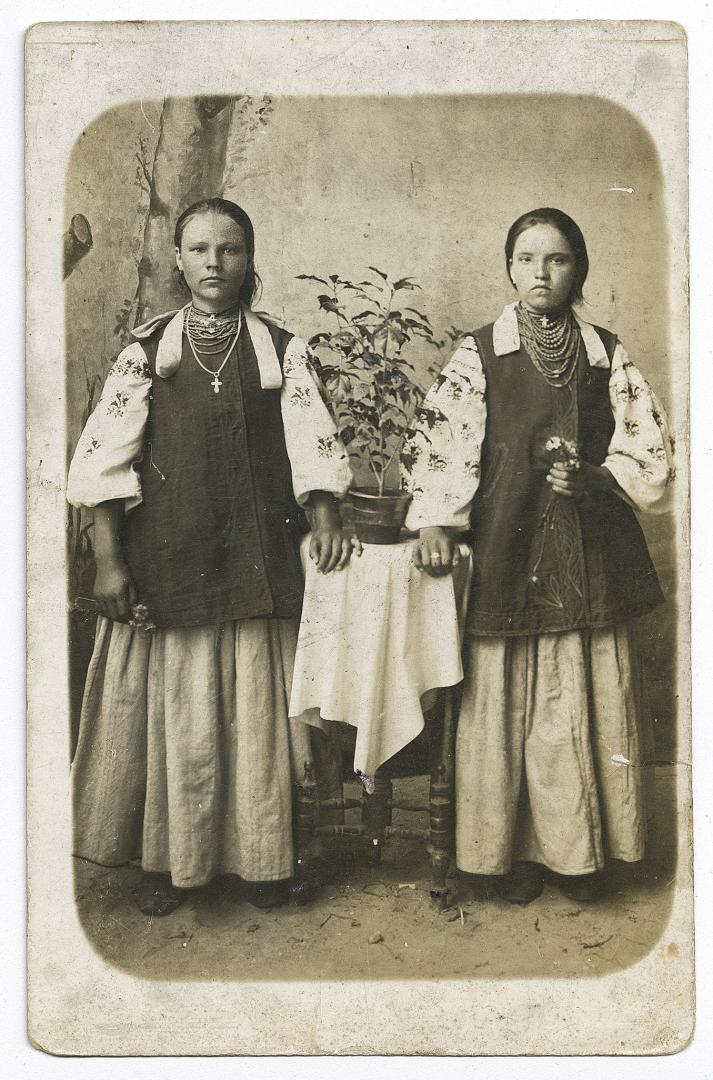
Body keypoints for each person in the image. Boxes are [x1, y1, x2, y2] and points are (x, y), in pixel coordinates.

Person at [68, 197, 357, 915]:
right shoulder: (147, 352)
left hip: (259, 559)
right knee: (183, 715)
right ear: (177, 258)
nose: (213, 264)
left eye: (228, 250)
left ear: (248, 258)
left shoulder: (279, 349)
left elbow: (313, 446)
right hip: (173, 556)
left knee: (258, 711)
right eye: (198, 250)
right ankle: (174, 862)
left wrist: (323, 516)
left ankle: (264, 859)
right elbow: (104, 464)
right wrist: (109, 561)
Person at [401, 207, 675, 904]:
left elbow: (649, 450)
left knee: (578, 704)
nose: (539, 273)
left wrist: (600, 478)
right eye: (525, 259)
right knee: (503, 707)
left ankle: (578, 856)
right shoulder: (479, 353)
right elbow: (446, 443)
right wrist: (435, 518)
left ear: (577, 269)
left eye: (555, 260)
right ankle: (504, 857)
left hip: (589, 554)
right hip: (506, 546)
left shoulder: (603, 353)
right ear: (508, 267)